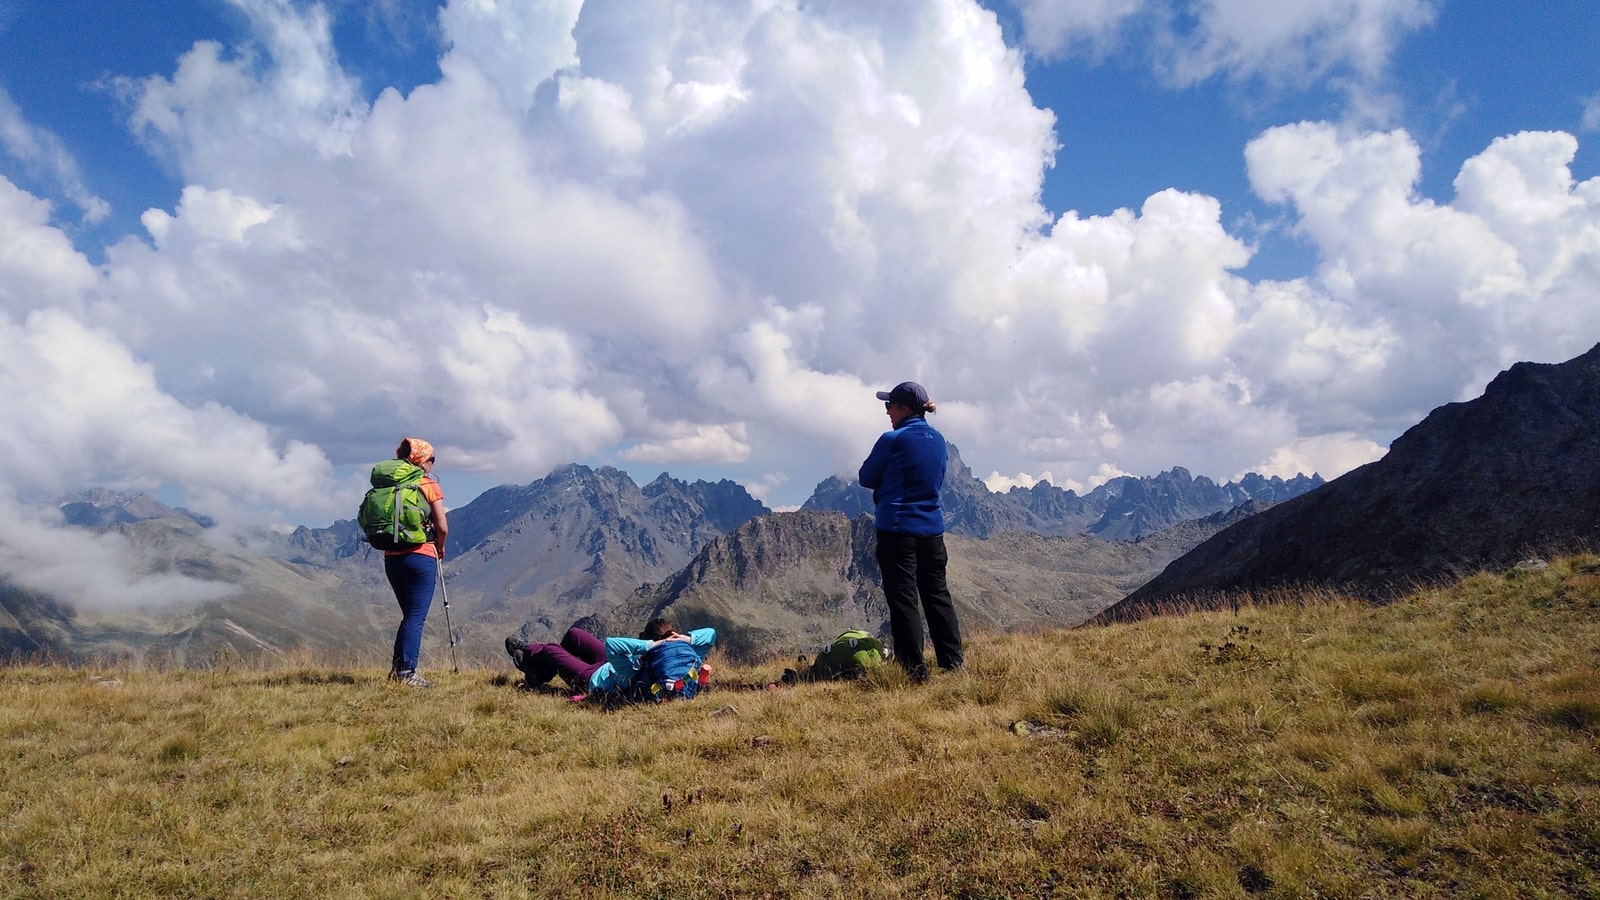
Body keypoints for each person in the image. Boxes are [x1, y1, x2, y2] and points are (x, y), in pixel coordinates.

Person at [858, 381, 964, 681]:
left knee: (903, 598)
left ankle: (914, 670)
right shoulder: (939, 440)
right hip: (933, 529)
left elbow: (866, 477)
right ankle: (953, 662)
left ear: (904, 408)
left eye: (889, 405)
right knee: (937, 594)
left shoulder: (892, 439)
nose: (887, 411)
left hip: (897, 529)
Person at [505, 617, 716, 703]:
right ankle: (539, 674)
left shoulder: (637, 671)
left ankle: (528, 653)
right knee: (575, 635)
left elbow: (612, 644)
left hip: (594, 680)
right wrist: (686, 639)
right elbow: (711, 634)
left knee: (551, 650)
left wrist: (650, 646)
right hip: (609, 666)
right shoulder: (690, 652)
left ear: (649, 640)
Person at [383, 437, 448, 687]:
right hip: (420, 556)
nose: (433, 464)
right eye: (431, 459)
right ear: (422, 461)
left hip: (392, 558)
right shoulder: (427, 484)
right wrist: (440, 547)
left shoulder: (390, 486)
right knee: (415, 616)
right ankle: (406, 674)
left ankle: (398, 670)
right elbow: (442, 526)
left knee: (409, 615)